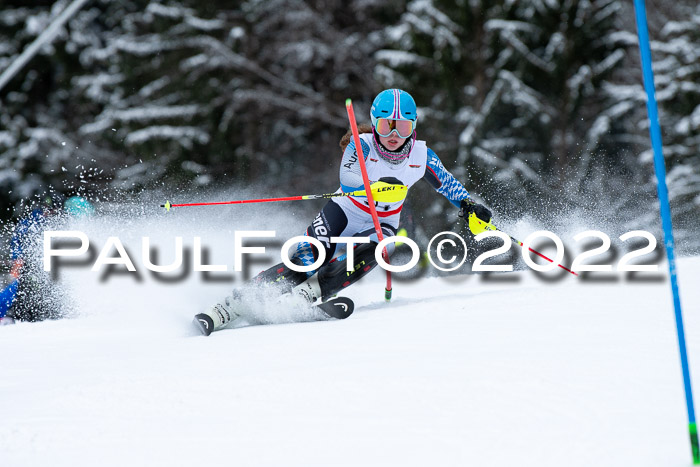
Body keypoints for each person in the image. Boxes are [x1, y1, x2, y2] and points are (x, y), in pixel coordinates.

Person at [194, 89, 492, 335]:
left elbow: (447, 184)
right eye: (387, 124)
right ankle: (232, 306)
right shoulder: (360, 146)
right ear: (375, 123)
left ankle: (310, 294)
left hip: (382, 223)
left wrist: (467, 206)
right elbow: (348, 180)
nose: (394, 134)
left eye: (403, 126)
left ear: (413, 127)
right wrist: (375, 186)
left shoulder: (421, 155)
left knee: (375, 247)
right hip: (343, 211)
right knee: (309, 257)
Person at [0, 195, 94, 323]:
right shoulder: (36, 222)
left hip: (55, 271)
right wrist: (18, 261)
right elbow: (21, 242)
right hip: (35, 269)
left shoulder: (65, 223)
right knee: (18, 291)